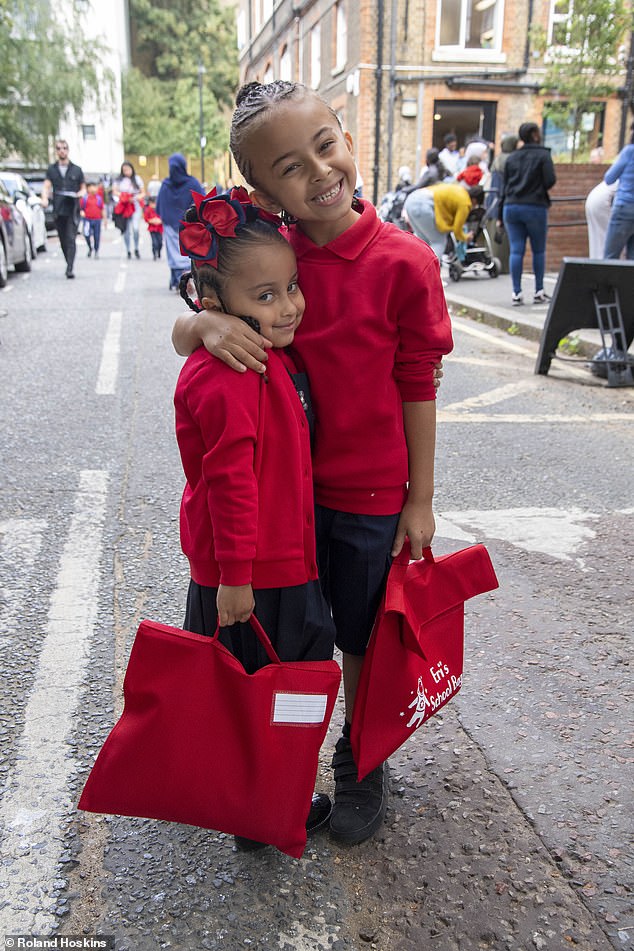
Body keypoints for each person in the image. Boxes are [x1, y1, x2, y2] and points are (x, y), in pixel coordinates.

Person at [172, 80, 453, 846]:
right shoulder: (270, 254)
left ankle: (359, 761)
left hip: (367, 494)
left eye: (326, 145)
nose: (319, 172)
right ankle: (273, 773)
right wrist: (199, 324)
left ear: (348, 138)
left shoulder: (406, 261)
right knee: (289, 641)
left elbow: (419, 381)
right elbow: (197, 308)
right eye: (290, 168)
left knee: (359, 635)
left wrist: (419, 498)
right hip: (278, 504)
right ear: (262, 192)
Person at [175, 186, 336, 850]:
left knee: (261, 694)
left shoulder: (265, 359)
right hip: (254, 578)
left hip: (269, 567)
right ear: (215, 305)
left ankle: (259, 801)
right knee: (274, 692)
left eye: (290, 286)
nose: (289, 305)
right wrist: (235, 580)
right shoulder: (231, 375)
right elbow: (230, 484)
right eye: (265, 296)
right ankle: (266, 807)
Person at [496, 122, 556, 306]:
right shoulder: (543, 155)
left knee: (516, 250)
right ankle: (538, 291)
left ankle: (517, 293)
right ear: (535, 135)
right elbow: (550, 180)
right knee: (538, 250)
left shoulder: (512, 158)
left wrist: (500, 215)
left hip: (511, 207)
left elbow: (504, 188)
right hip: (534, 207)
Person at [156, 154, 205, 290]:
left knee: (173, 252)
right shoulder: (193, 183)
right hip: (188, 224)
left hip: (170, 224)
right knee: (187, 252)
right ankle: (185, 276)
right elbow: (202, 201)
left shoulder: (166, 185)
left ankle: (177, 278)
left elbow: (160, 205)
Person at [403, 182, 484, 259]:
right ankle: (429, 271)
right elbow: (457, 230)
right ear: (475, 200)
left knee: (423, 242)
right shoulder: (465, 204)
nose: (474, 206)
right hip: (423, 205)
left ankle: (411, 267)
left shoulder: (460, 190)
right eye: (476, 205)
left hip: (411, 199)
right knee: (438, 242)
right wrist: (466, 237)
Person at [41, 139, 85, 279]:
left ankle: (70, 268)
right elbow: (46, 186)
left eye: (64, 148)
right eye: (59, 148)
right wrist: (45, 198)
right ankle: (68, 262)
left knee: (71, 238)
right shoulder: (52, 169)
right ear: (56, 151)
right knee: (63, 239)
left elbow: (83, 188)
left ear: (68, 150)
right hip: (59, 209)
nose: (62, 150)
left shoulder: (76, 170)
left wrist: (80, 194)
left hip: (72, 208)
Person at [603, 122, 634, 260]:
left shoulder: (629, 151)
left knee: (610, 256)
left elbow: (609, 178)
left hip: (625, 206)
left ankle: (607, 282)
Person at [112, 161, 145, 259]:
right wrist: (123, 196)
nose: (126, 172)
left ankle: (136, 247)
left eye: (128, 169)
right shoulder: (119, 180)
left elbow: (143, 192)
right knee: (126, 229)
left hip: (134, 204)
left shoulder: (137, 179)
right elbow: (114, 191)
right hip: (124, 205)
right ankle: (128, 249)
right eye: (124, 170)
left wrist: (135, 197)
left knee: (135, 228)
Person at [585, 180, 618, 258]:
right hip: (606, 201)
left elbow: (609, 177)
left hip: (597, 197)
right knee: (610, 244)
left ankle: (598, 266)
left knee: (598, 242)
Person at [80, 181, 106, 259]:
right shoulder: (85, 198)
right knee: (86, 234)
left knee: (97, 236)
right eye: (91, 187)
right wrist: (82, 212)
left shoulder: (99, 198)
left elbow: (102, 209)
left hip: (97, 219)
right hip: (87, 219)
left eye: (94, 187)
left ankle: (96, 251)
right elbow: (81, 208)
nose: (93, 189)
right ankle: (90, 248)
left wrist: (105, 219)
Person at [143, 196, 164, 260]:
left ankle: (159, 251)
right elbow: (146, 218)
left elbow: (164, 217)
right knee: (154, 242)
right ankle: (154, 254)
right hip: (152, 228)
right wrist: (152, 220)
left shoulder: (160, 209)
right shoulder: (148, 210)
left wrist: (160, 221)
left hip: (159, 228)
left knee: (160, 242)